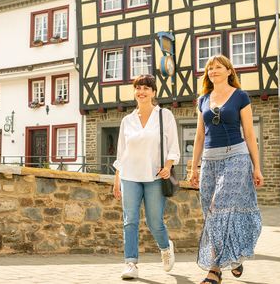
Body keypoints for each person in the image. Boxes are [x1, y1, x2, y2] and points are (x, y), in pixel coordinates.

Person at [188, 55, 264, 284]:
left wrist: (257, 167)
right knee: (210, 213)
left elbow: (250, 134)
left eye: (218, 67)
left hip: (236, 157)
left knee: (218, 205)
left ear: (229, 71)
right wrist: (194, 168)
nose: (213, 71)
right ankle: (235, 257)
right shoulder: (202, 99)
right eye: (210, 68)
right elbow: (200, 136)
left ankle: (214, 269)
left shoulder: (240, 96)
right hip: (210, 160)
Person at [113, 74, 180, 280]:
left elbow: (173, 147)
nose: (141, 92)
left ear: (153, 92)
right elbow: (121, 152)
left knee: (154, 222)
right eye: (138, 88)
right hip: (129, 176)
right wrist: (117, 180)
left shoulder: (164, 115)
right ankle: (131, 263)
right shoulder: (127, 120)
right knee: (130, 220)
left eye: (146, 88)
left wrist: (168, 166)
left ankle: (165, 247)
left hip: (155, 176)